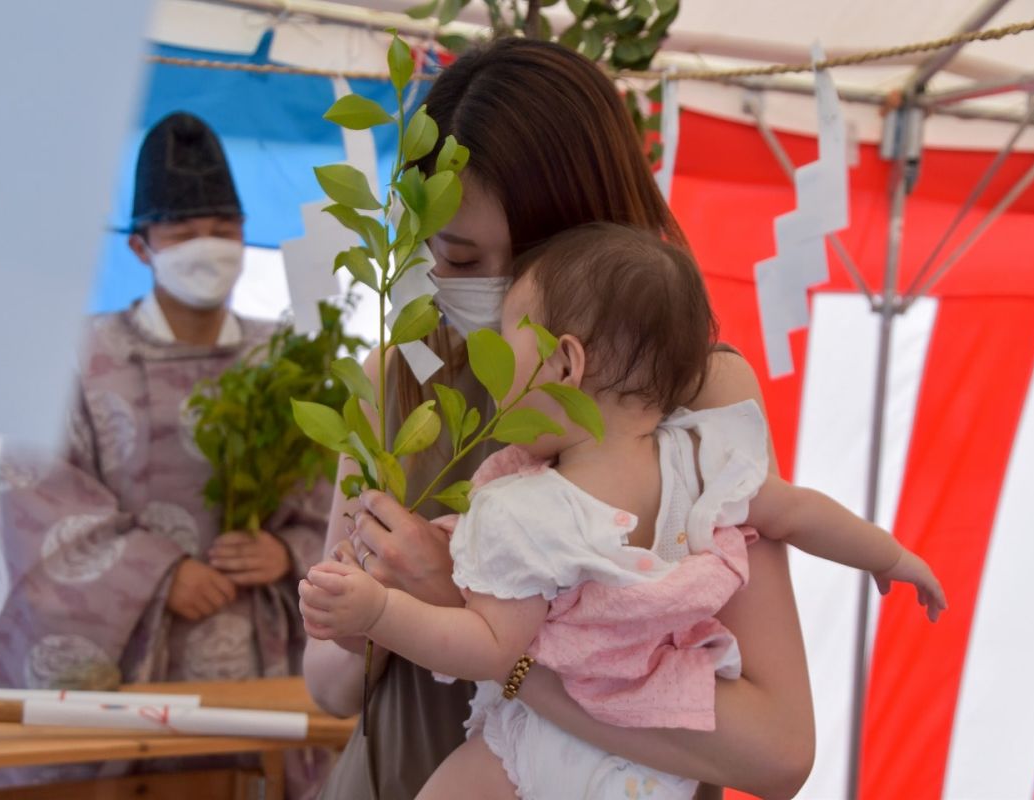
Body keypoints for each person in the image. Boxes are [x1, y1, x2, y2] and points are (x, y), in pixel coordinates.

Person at [305, 39, 816, 800]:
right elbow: (331, 685)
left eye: (504, 265)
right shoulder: (397, 383)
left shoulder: (694, 394)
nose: (472, 291)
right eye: (452, 257)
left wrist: (475, 621)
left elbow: (777, 751)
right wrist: (361, 618)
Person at [300, 223, 946, 799]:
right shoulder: (700, 459)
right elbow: (797, 513)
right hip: (659, 775)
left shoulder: (519, 508)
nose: (490, 372)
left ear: (565, 362)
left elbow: (492, 648)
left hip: (535, 753)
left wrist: (382, 609)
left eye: (506, 347)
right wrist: (890, 556)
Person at [0, 112, 330, 796]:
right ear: (139, 248)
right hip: (124, 670)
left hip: (258, 667)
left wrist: (290, 553)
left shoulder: (287, 360)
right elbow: (35, 499)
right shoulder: (75, 356)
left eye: (224, 231)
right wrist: (157, 573)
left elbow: (332, 498)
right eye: (184, 235)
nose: (207, 248)